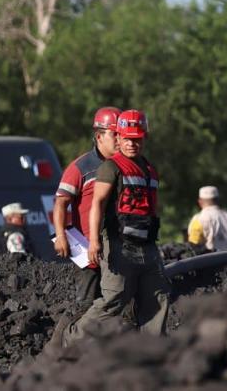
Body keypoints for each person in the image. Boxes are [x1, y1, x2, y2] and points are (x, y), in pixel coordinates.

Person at [63, 109, 170, 345]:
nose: (133, 143)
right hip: (119, 244)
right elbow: (97, 204)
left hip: (147, 245)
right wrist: (94, 242)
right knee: (114, 298)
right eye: (128, 138)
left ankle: (152, 354)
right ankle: (72, 342)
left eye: (138, 138)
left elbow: (153, 207)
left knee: (158, 295)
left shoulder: (150, 169)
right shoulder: (111, 167)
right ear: (119, 138)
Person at [53, 106, 121, 304]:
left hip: (118, 249)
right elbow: (60, 203)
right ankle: (72, 335)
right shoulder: (80, 167)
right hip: (89, 252)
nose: (119, 140)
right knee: (87, 304)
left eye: (121, 134)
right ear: (99, 136)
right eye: (114, 134)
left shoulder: (125, 166)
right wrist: (60, 236)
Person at [187, 186, 227, 251]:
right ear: (218, 200)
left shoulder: (198, 219)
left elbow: (193, 245)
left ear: (200, 202)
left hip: (210, 260)